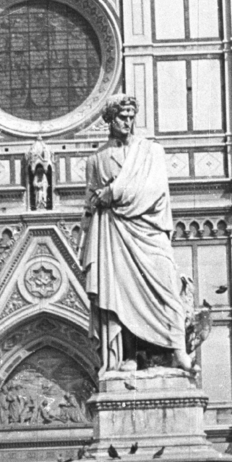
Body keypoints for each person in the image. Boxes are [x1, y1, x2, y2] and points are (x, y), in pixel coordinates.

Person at [80, 94, 193, 373]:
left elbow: (155, 191)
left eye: (131, 117)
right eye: (122, 117)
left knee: (166, 285)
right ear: (109, 120)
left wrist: (113, 192)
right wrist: (96, 203)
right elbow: (89, 202)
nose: (128, 122)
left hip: (149, 230)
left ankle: (177, 349)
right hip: (114, 234)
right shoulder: (96, 160)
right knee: (120, 292)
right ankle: (130, 355)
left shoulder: (151, 152)